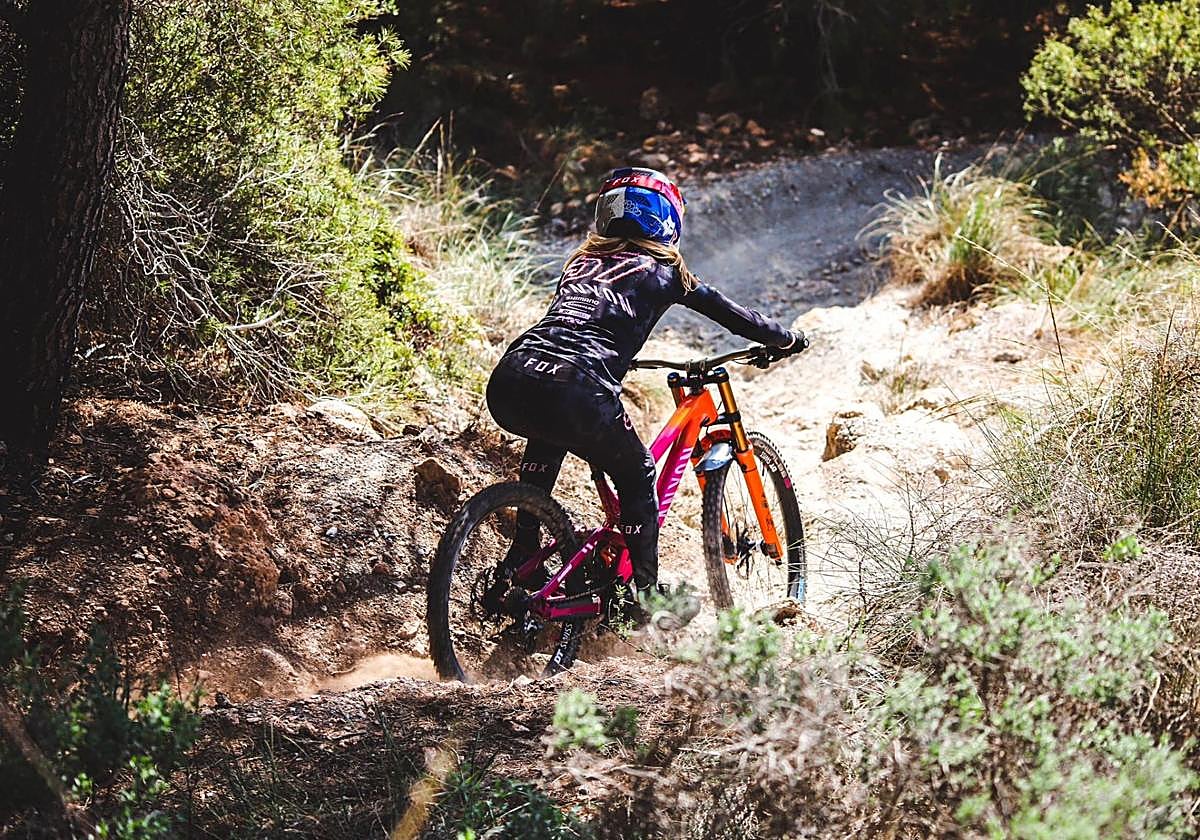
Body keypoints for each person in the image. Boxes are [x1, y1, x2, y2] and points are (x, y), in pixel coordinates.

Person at [485, 166, 804, 617]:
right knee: (637, 473)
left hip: (512, 378)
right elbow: (734, 316)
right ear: (665, 219)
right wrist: (784, 338)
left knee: (549, 432)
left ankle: (521, 558)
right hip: (578, 388)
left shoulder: (579, 261)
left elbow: (585, 321)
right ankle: (643, 598)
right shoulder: (665, 269)